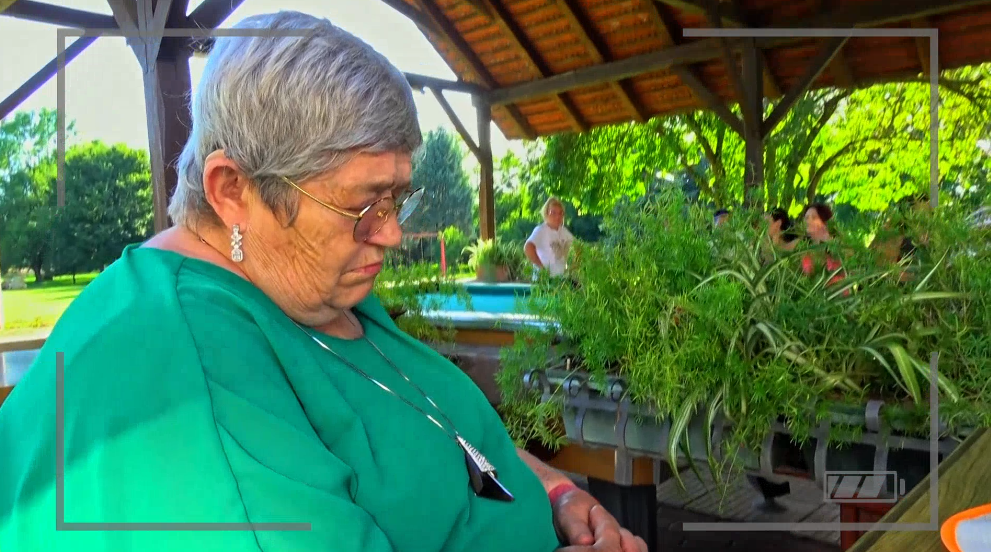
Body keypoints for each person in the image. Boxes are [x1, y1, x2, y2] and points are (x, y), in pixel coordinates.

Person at [0, 12, 645, 552]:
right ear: (234, 191)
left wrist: (552, 493)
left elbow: (436, 430)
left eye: (397, 198)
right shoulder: (183, 376)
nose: (390, 234)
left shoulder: (309, 287)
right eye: (365, 206)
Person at [525, 197, 575, 278]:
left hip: (562, 280)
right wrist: (542, 268)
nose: (557, 216)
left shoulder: (564, 231)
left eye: (560, 213)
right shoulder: (540, 230)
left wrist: (573, 268)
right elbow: (528, 248)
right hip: (544, 281)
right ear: (546, 213)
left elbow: (578, 247)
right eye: (553, 213)